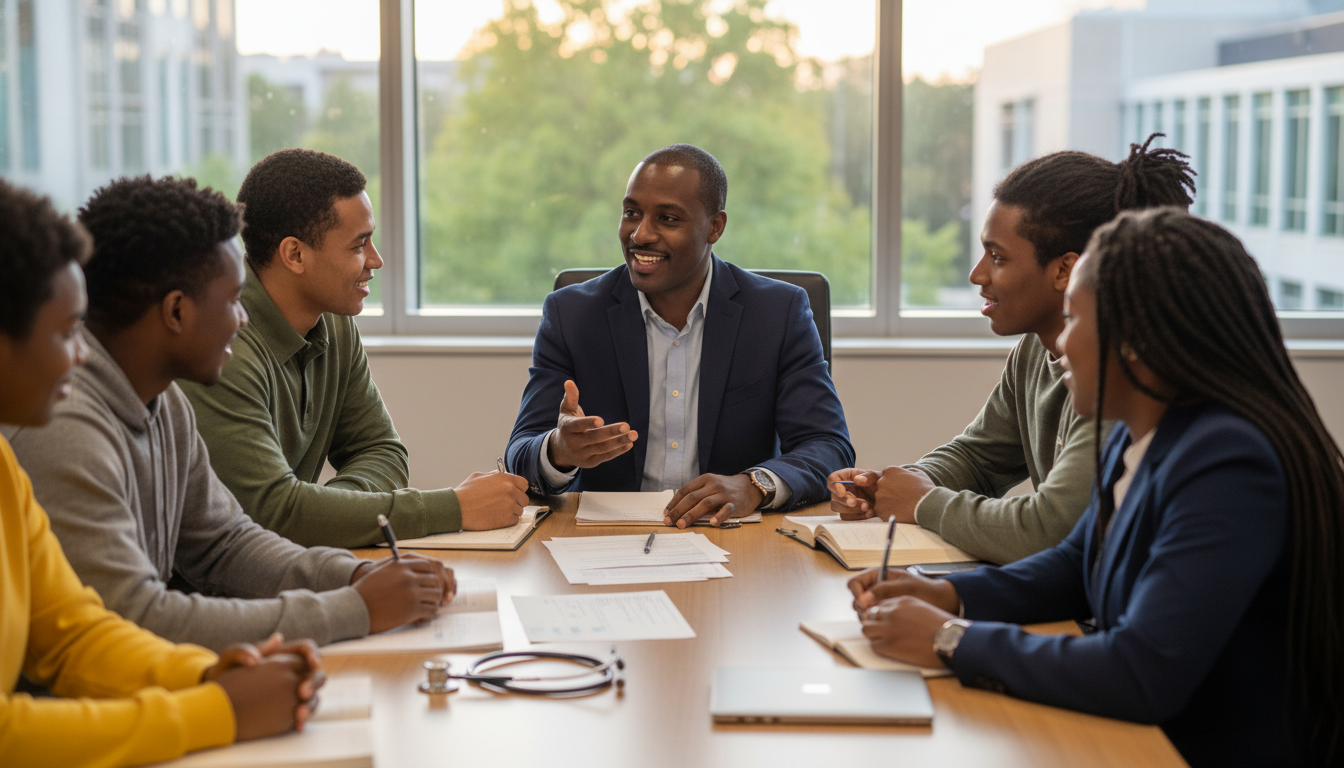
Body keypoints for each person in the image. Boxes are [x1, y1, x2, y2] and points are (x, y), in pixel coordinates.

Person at [846, 209, 1344, 767]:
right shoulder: (1142, 435)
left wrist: (950, 639)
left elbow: (1141, 670)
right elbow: (1075, 563)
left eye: (1073, 320)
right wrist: (950, 594)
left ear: (1134, 340)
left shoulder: (1228, 461)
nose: (1059, 347)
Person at [9, 176, 455, 653]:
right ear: (177, 312)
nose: (243, 319)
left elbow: (226, 542)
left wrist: (357, 573)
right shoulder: (66, 427)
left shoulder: (164, 402)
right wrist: (355, 608)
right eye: (231, 301)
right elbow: (134, 618)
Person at [0, 178, 325, 766]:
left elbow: (75, 633)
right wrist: (215, 709)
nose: (81, 352)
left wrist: (206, 672)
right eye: (64, 331)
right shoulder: (58, 431)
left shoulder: (4, 469)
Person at [830, 135, 1195, 563]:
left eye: (997, 257)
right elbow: (980, 458)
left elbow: (1050, 527)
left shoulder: (1119, 377)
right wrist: (899, 484)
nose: (976, 274)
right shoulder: (1032, 351)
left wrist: (922, 502)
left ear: (1065, 270)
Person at [180, 149, 528, 548]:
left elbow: (383, 452)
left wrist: (327, 509)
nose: (376, 260)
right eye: (359, 245)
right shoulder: (222, 345)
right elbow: (274, 512)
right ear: (295, 254)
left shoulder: (334, 322)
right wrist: (452, 508)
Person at [505, 144, 854, 527]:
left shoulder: (776, 314)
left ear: (715, 227)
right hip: (607, 539)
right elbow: (520, 452)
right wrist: (559, 449)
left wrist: (754, 486)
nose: (641, 234)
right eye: (631, 213)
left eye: (668, 218)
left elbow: (828, 446)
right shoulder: (572, 314)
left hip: (734, 538)